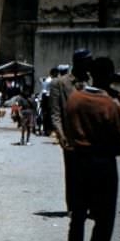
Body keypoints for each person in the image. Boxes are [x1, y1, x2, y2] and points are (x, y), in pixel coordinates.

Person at [62, 55, 120, 241]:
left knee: (78, 216)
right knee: (104, 219)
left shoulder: (74, 99)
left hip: (76, 163)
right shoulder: (110, 105)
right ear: (109, 78)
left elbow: (67, 129)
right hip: (102, 165)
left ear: (91, 75)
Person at [49, 59, 78, 213]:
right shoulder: (58, 83)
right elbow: (55, 112)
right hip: (71, 135)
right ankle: (73, 207)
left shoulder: (91, 81)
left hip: (91, 134)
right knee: (73, 173)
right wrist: (60, 133)